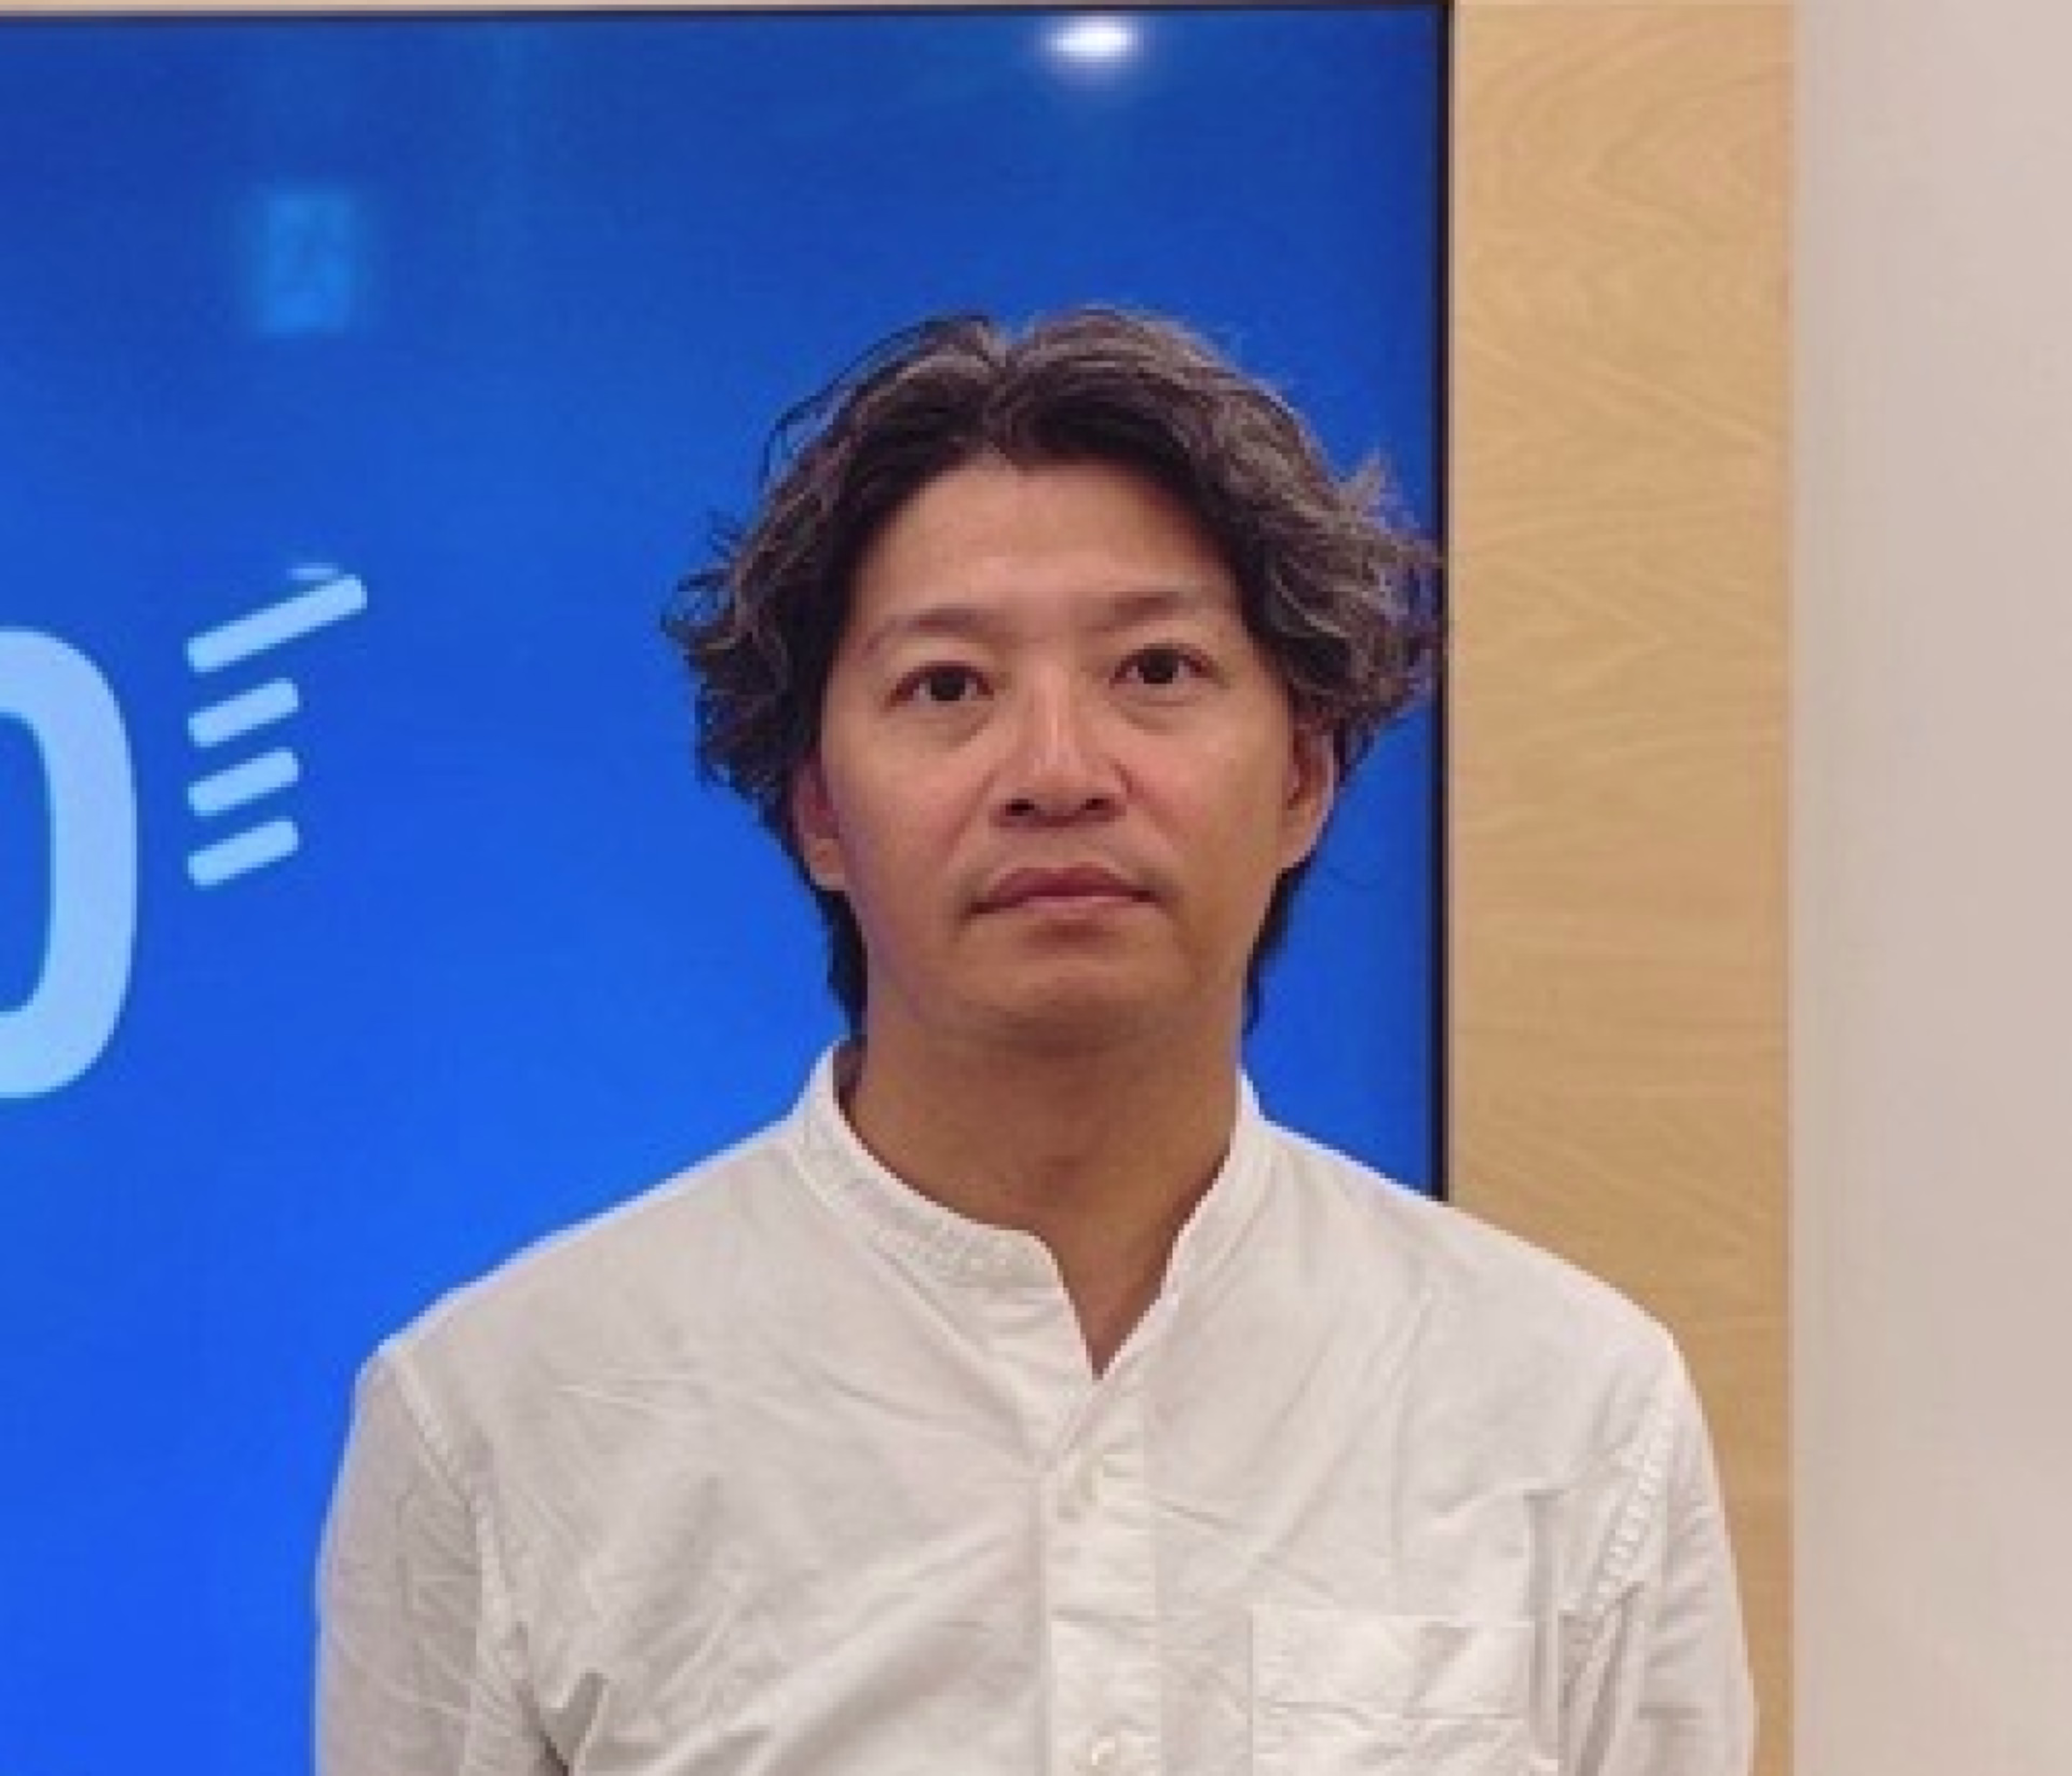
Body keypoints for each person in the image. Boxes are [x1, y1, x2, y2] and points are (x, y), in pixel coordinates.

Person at [317, 309, 1754, 1774]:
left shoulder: (1571, 1407)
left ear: (1304, 776)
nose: (1059, 772)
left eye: (1156, 671)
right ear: (819, 810)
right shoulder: (504, 1416)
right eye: (949, 686)